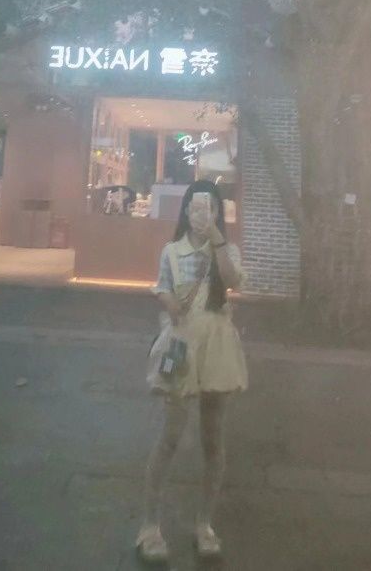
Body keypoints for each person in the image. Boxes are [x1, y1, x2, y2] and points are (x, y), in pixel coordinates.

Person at [137, 180, 248, 563]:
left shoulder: (226, 249)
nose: (203, 214)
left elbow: (233, 281)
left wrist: (217, 239)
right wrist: (170, 303)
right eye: (197, 207)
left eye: (211, 208)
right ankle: (149, 526)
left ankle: (205, 524)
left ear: (218, 213)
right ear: (185, 211)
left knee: (213, 439)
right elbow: (162, 287)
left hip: (217, 346)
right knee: (169, 437)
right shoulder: (172, 250)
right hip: (181, 345)